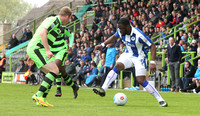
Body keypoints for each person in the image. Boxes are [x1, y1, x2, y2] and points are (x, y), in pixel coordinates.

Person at [92, 18, 168, 107]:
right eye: (119, 29)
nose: (120, 31)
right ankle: (103, 89)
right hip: (128, 54)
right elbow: (114, 36)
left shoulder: (139, 35)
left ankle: (161, 100)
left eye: (121, 29)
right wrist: (102, 44)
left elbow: (152, 46)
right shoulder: (121, 31)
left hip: (139, 57)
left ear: (128, 27)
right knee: (117, 66)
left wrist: (152, 62)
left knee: (141, 80)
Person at [27, 6, 79, 107]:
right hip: (38, 49)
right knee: (55, 70)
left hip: (36, 49)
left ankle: (42, 99)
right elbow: (42, 33)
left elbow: (38, 34)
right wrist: (47, 50)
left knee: (51, 74)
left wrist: (31, 54)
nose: (68, 22)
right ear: (67, 16)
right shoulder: (55, 20)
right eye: (69, 19)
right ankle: (38, 95)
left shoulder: (56, 23)